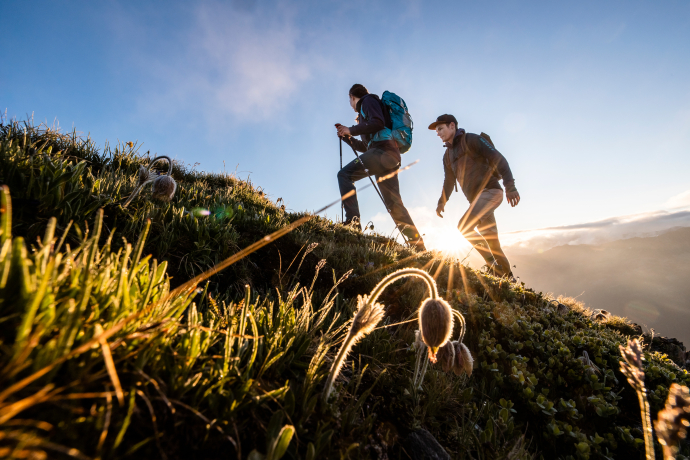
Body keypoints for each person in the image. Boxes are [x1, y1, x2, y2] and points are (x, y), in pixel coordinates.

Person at [336, 84, 426, 250]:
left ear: (353, 97)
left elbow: (377, 123)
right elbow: (366, 147)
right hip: (388, 155)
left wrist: (351, 129)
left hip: (383, 152)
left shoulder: (367, 101)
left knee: (344, 175)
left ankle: (353, 223)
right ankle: (419, 247)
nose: (350, 104)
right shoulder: (367, 110)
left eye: (349, 99)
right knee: (394, 204)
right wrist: (347, 137)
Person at [430, 114, 520, 277]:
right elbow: (449, 181)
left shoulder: (472, 140)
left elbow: (499, 159)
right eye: (436, 131)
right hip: (477, 200)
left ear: (452, 126)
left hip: (491, 191)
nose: (438, 133)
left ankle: (493, 266)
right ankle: (508, 279)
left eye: (440, 128)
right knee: (493, 243)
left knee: (464, 226)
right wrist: (441, 202)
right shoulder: (447, 156)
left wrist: (510, 186)